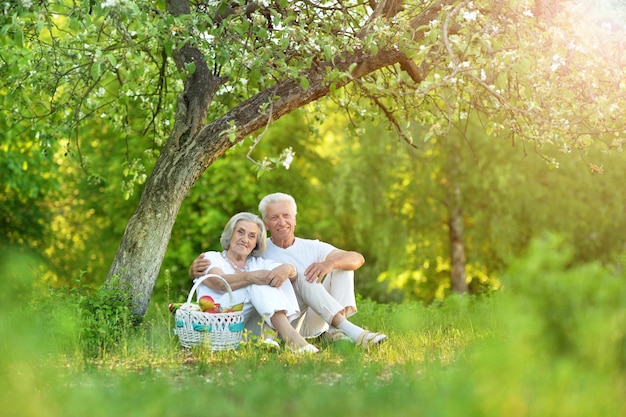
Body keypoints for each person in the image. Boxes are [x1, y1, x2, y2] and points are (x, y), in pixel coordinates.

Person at [190, 193, 387, 348]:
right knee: (300, 277)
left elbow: (357, 258)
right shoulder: (257, 251)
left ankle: (338, 330)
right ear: (266, 224)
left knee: (342, 267)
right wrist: (194, 270)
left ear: (294, 219)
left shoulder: (312, 247)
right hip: (279, 320)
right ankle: (350, 333)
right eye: (274, 217)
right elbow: (229, 264)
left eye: (286, 216)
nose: (281, 222)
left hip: (312, 316)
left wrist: (328, 264)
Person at [192, 211, 318, 354]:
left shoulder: (258, 263)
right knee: (257, 282)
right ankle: (291, 338)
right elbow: (218, 283)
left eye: (251, 236)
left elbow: (287, 275)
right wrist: (251, 277)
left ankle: (269, 338)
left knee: (275, 278)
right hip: (218, 323)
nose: (245, 239)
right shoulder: (212, 257)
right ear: (230, 234)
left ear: (256, 243)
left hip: (248, 330)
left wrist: (288, 268)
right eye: (240, 232)